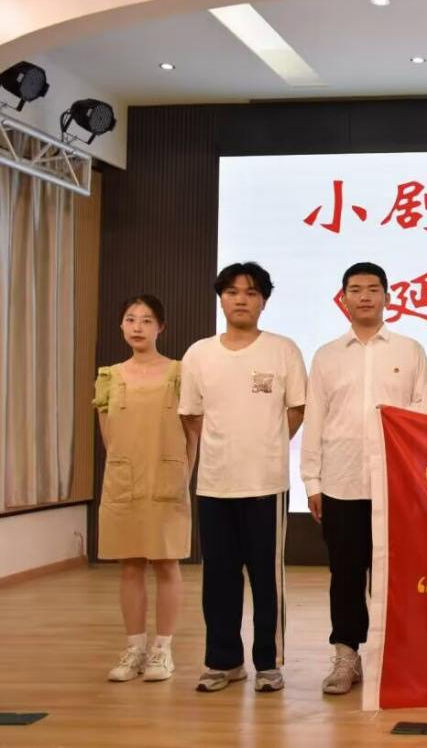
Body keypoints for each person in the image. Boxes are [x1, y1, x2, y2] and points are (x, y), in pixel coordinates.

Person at [300, 262, 427, 695]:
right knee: (346, 574)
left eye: (373, 289)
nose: (365, 297)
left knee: (396, 573)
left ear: (388, 297)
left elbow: (424, 417)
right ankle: (346, 655)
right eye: (355, 290)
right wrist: (312, 481)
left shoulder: (409, 351)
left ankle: (397, 655)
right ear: (344, 299)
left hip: (396, 483)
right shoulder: (327, 355)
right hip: (341, 481)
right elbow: (315, 419)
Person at [178, 262, 307, 694]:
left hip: (266, 484)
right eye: (232, 292)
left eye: (251, 293)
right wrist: (225, 445)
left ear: (263, 301)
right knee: (218, 578)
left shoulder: (283, 350)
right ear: (221, 299)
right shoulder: (199, 354)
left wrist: (265, 443)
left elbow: (297, 409)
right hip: (215, 483)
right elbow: (192, 415)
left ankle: (268, 662)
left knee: (267, 579)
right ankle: (223, 661)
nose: (241, 300)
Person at [96, 295, 197, 683]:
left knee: (167, 563)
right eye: (130, 319)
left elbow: (192, 433)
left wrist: (183, 476)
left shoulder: (179, 373)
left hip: (167, 477)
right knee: (130, 565)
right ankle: (134, 648)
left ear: (161, 327)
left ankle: (162, 650)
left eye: (146, 320)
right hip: (124, 481)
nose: (137, 327)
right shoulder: (109, 376)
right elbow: (108, 436)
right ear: (121, 325)